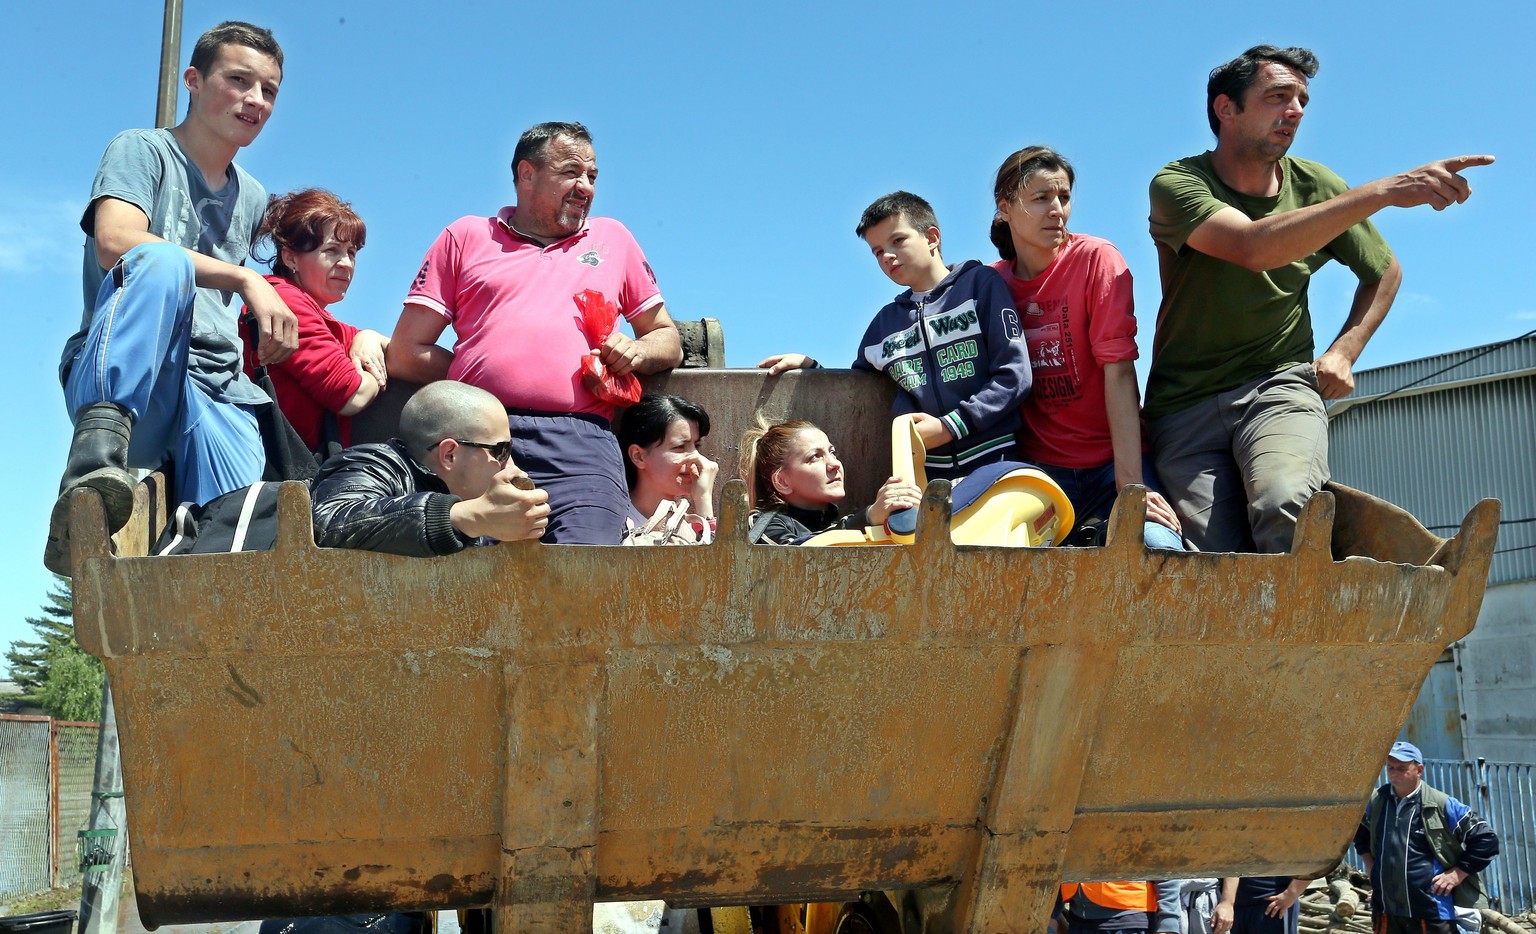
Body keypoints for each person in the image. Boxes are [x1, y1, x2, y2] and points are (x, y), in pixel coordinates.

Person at [1145, 44, 1494, 553]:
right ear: (1226, 109)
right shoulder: (1178, 184)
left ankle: (1391, 574)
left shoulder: (1318, 187)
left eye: (1303, 99)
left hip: (1277, 386)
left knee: (1284, 503)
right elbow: (1250, 246)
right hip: (1182, 405)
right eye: (1278, 96)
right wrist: (1386, 190)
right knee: (1217, 565)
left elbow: (1384, 271)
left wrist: (1344, 351)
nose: (1296, 110)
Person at [46, 21, 298, 575]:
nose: (255, 100)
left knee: (236, 549)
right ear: (193, 80)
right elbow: (114, 241)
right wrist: (243, 278)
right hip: (136, 382)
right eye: (238, 80)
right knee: (160, 261)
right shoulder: (143, 150)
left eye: (269, 90)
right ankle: (87, 485)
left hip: (214, 388)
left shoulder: (251, 194)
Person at [385, 121, 682, 545]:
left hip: (581, 444)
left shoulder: (615, 238)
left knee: (589, 573)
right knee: (473, 580)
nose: (585, 186)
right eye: (571, 172)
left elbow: (666, 337)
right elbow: (405, 352)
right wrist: (477, 378)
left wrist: (636, 351)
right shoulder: (465, 235)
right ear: (527, 174)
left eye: (592, 176)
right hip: (477, 437)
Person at [759, 191, 1030, 481]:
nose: (887, 255)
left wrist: (950, 426)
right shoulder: (884, 326)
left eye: (898, 241)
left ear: (932, 238)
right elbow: (862, 394)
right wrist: (813, 368)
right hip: (925, 477)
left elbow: (1014, 375)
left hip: (997, 462)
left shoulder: (980, 286)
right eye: (877, 251)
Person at [989, 146, 1182, 550]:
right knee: (999, 566)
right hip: (1037, 473)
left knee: (1158, 548)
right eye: (1041, 198)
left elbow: (1119, 372)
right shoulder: (989, 285)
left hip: (1114, 465)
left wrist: (1131, 488)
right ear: (1005, 208)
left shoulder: (1097, 260)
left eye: (1064, 197)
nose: (1057, 209)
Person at [310, 381, 550, 556]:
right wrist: (470, 517)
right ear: (449, 454)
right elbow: (328, 522)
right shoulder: (373, 464)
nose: (513, 468)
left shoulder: (474, 503)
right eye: (501, 451)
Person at [245, 188, 390, 452]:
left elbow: (390, 347)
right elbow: (352, 396)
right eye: (332, 250)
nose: (346, 263)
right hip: (271, 468)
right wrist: (373, 375)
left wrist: (369, 336)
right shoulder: (283, 300)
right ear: (290, 258)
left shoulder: (318, 315)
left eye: (352, 252)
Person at [1353, 741, 1500, 934]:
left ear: (1419, 769)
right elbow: (1358, 829)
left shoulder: (1442, 804)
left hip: (1432, 910)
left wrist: (1457, 874)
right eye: (1390, 768)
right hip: (1386, 909)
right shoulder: (1378, 801)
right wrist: (1370, 864)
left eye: (1402, 768)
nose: (1394, 774)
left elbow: (1487, 840)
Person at [740, 419, 920, 545]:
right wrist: (868, 517)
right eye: (815, 457)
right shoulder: (761, 524)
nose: (834, 464)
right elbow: (797, 556)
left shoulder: (834, 523)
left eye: (832, 452)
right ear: (782, 481)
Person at [616, 392, 718, 544]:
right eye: (679, 447)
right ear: (638, 456)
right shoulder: (614, 523)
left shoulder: (690, 526)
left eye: (696, 446)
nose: (697, 459)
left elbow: (714, 566)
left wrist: (703, 500)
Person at [1059, 882, 1181, 934]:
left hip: (1129, 922)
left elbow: (1165, 870)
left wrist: (1168, 925)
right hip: (1079, 922)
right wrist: (1052, 915)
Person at [1211, 878, 1308, 934]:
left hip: (1273, 904)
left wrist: (1291, 893)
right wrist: (1227, 902)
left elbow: (1320, 855)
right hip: (1233, 907)